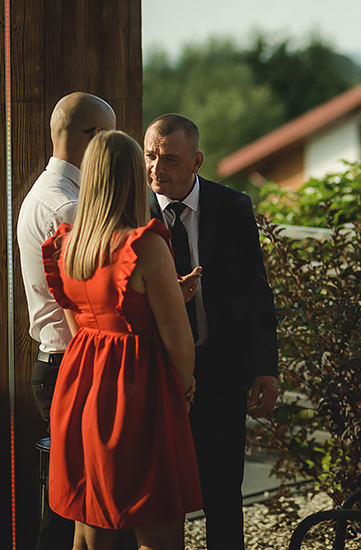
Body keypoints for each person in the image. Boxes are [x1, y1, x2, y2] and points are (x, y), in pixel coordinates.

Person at [42, 130, 202, 550]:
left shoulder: (67, 244)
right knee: (157, 526)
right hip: (139, 388)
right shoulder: (144, 244)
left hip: (81, 384)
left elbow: (77, 322)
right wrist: (183, 387)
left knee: (89, 525)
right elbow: (177, 335)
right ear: (133, 177)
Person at [144, 114, 279, 550]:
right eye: (150, 156)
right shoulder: (130, 211)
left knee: (222, 495)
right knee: (156, 497)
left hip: (220, 371)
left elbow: (255, 290)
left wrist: (265, 367)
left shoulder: (232, 206)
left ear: (197, 161)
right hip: (154, 374)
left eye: (169, 159)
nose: (156, 168)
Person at [16, 91, 118, 549]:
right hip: (76, 363)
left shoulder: (45, 194)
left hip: (56, 361)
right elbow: (95, 301)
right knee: (80, 508)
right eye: (110, 138)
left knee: (74, 503)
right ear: (94, 137)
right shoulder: (68, 208)